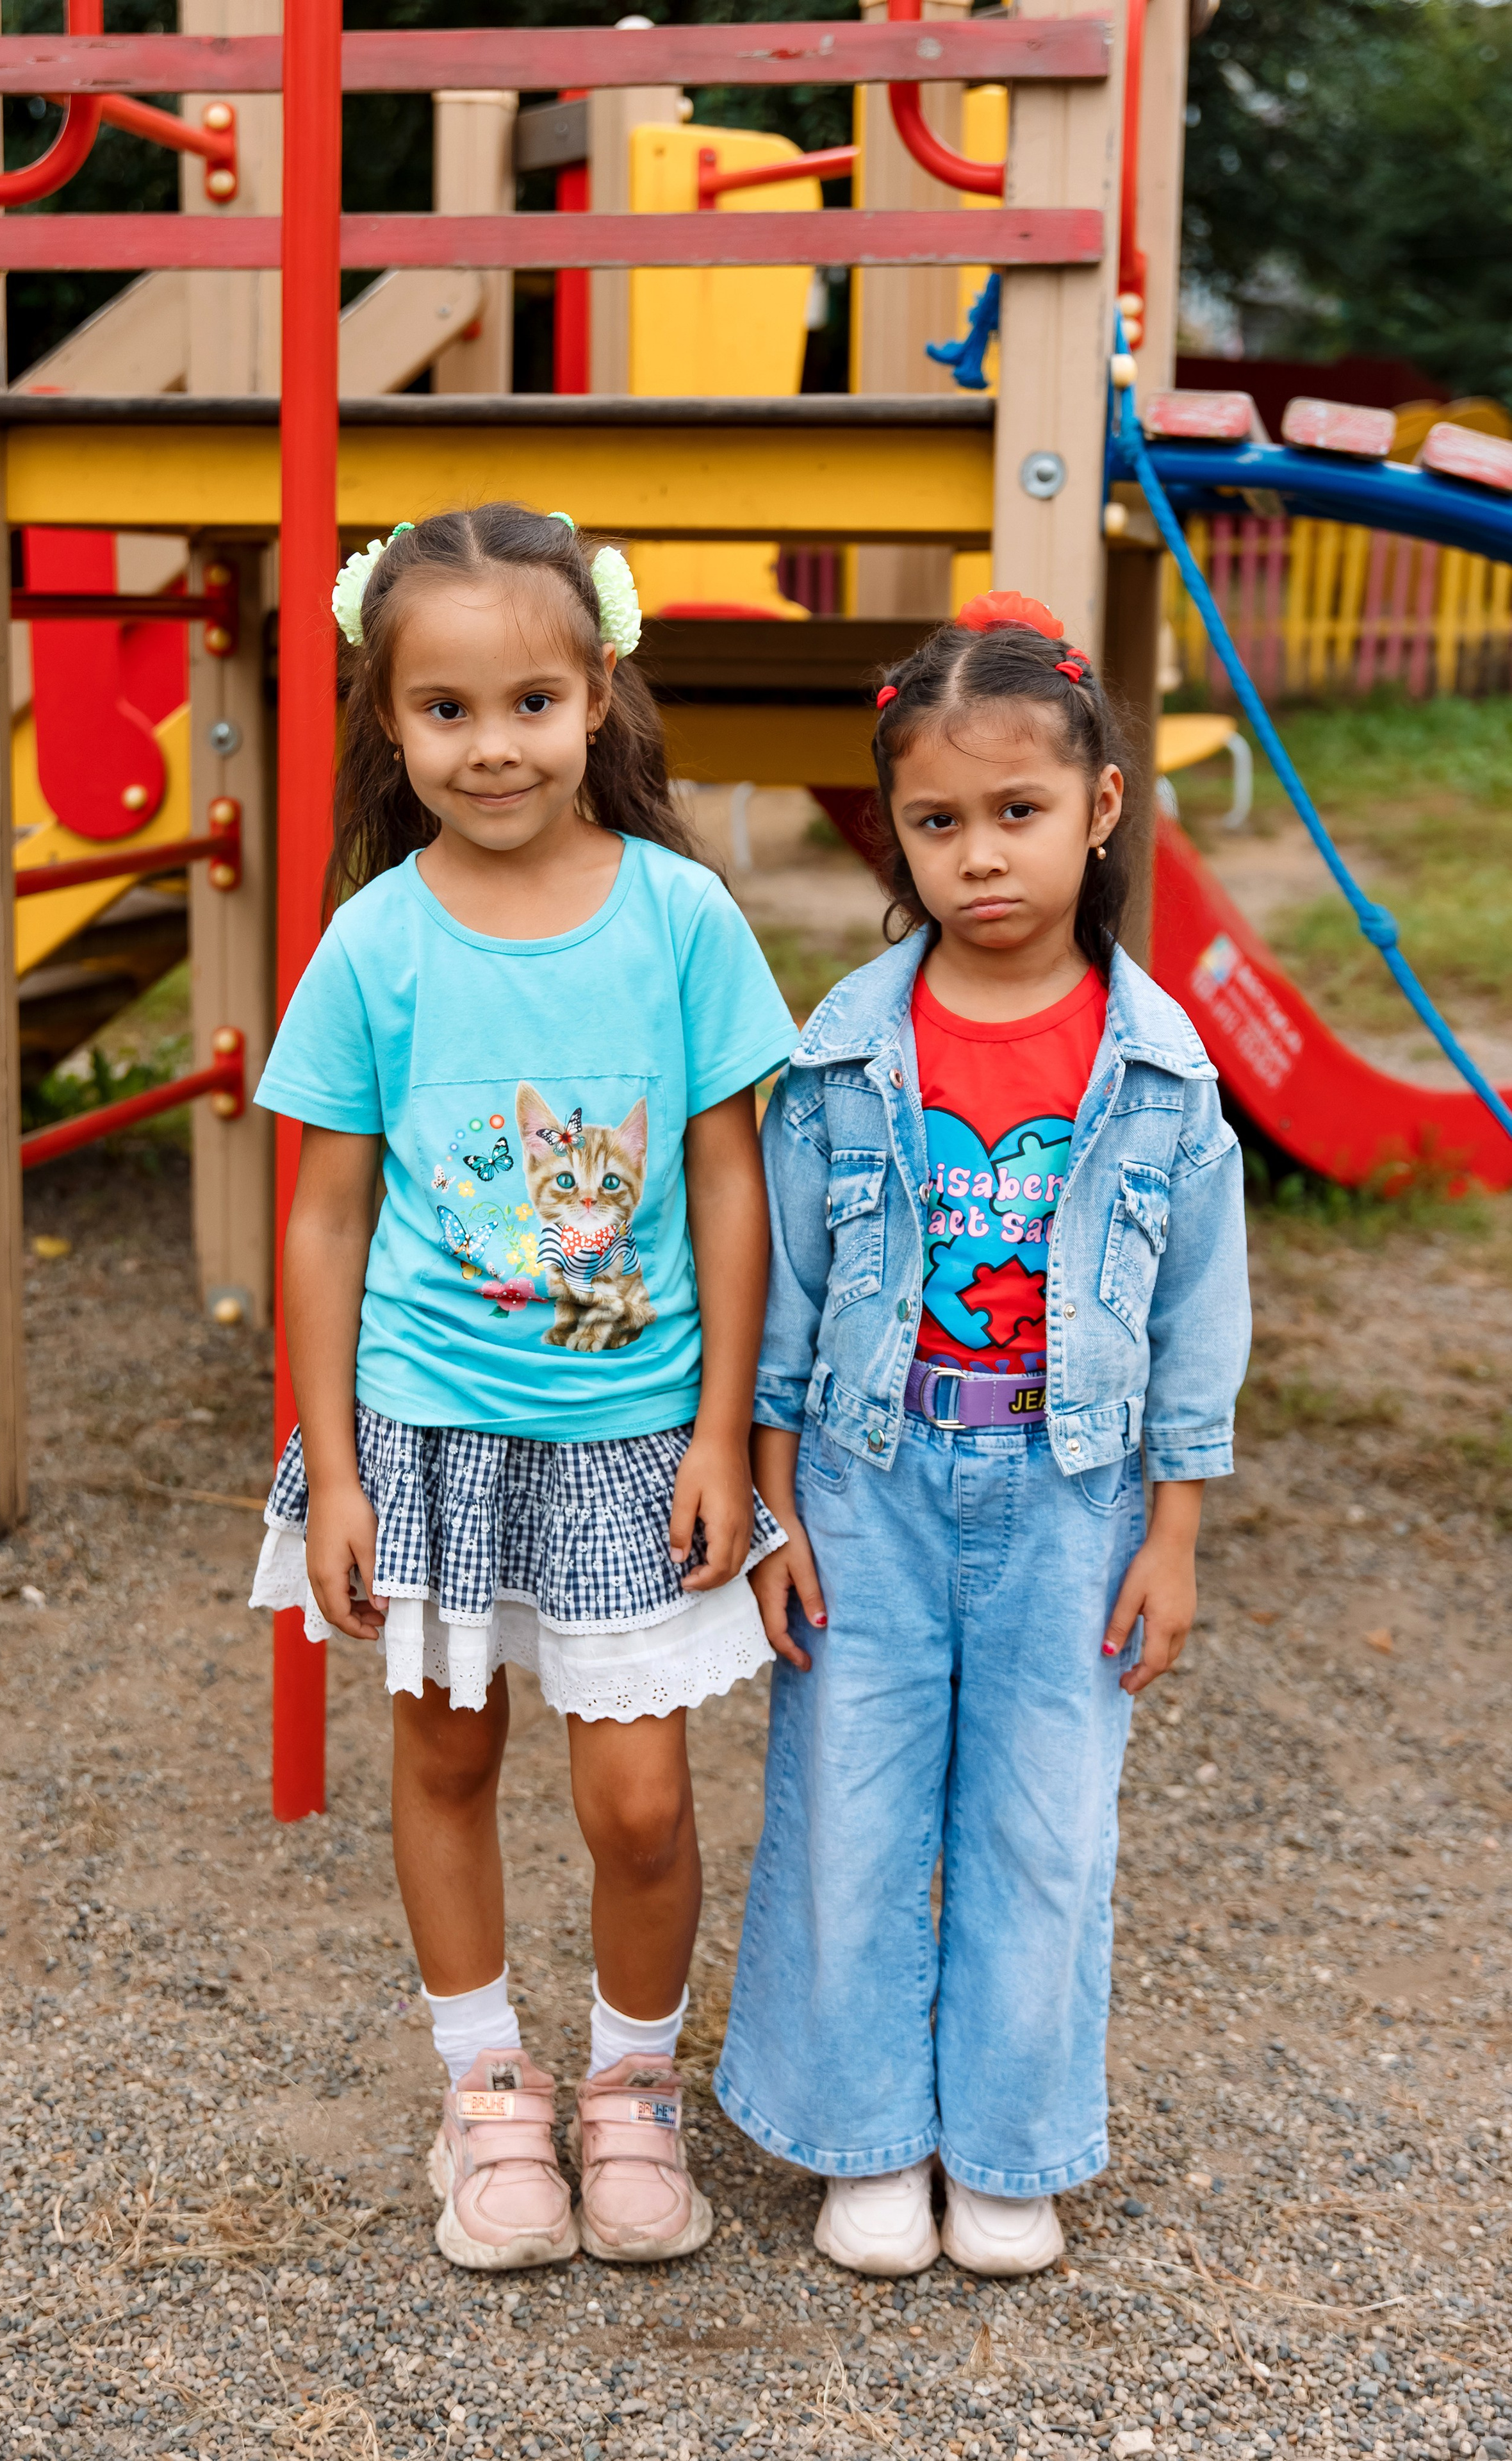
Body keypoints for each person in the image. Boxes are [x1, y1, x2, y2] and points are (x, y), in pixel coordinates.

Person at [249, 505, 796, 2272]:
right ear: (388, 722)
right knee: (448, 1748)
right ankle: (487, 2089)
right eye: (447, 711)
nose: (494, 747)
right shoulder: (372, 943)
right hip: (426, 1428)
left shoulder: (687, 918)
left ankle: (632, 2090)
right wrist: (330, 1472)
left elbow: (728, 1174)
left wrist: (723, 1430)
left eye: (534, 702)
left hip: (637, 1434)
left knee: (638, 1802)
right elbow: (327, 1216)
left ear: (599, 693)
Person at [716, 592, 1250, 2279]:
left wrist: (1175, 1532)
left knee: (1043, 1821)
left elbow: (1195, 1321)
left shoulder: (1161, 1072)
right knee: (853, 1813)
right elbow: (793, 1294)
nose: (981, 859)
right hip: (868, 1491)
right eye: (938, 823)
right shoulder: (844, 1054)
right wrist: (773, 1504)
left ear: (1101, 809)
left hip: (1073, 1500)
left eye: (1018, 815)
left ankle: (1010, 2148)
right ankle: (868, 2141)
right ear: (898, 833)